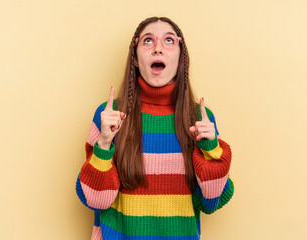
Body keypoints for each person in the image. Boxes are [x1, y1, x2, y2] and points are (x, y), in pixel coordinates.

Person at [75, 16, 234, 240]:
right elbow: (94, 200)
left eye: (169, 41)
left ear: (180, 58)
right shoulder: (109, 116)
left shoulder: (200, 120)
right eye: (148, 41)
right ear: (136, 59)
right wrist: (104, 143)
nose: (158, 48)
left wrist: (211, 149)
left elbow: (209, 202)